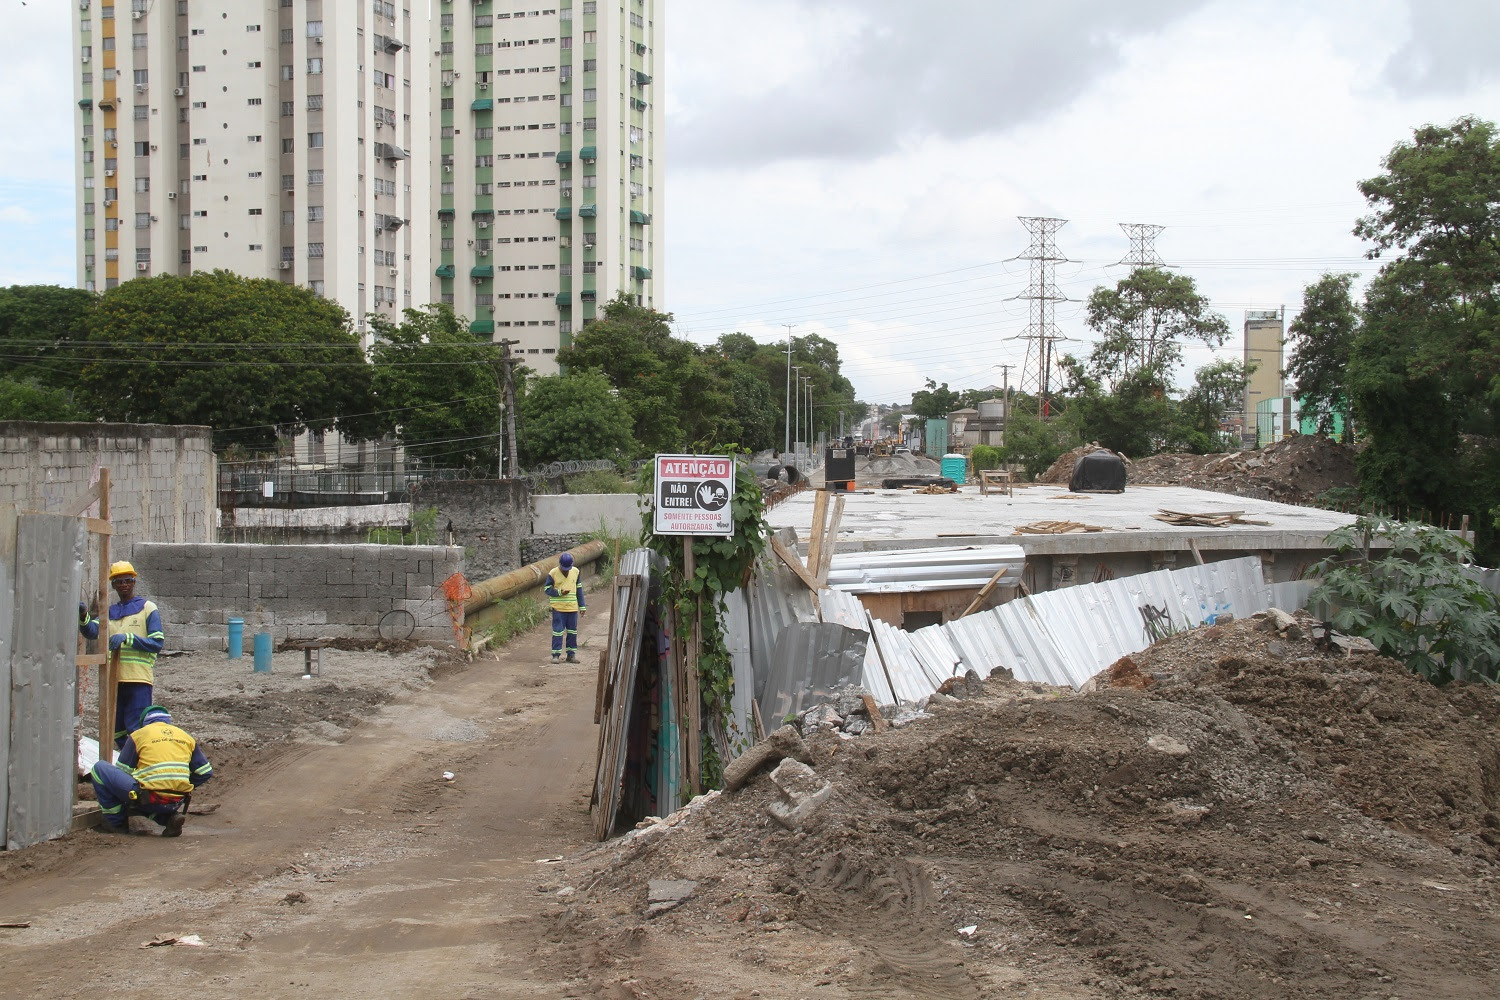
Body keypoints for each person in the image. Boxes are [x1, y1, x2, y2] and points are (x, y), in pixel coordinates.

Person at [80, 561, 165, 750]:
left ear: (134, 582)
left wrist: (128, 638)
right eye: (119, 582)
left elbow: (157, 643)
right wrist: (83, 616)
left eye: (127, 581)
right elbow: (93, 631)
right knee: (116, 730)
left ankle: (140, 768)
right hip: (114, 680)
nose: (124, 585)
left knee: (137, 730)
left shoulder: (148, 608)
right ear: (113, 586)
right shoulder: (110, 612)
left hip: (138, 680)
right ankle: (128, 767)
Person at [90, 704, 212, 837]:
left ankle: (116, 823)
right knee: (150, 793)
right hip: (176, 801)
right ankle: (168, 819)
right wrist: (179, 785)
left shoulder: (139, 735)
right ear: (167, 722)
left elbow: (123, 771)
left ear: (144, 723)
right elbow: (205, 772)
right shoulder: (186, 737)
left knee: (100, 769)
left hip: (148, 799)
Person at [544, 551, 586, 663]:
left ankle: (571, 655)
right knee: (558, 632)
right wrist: (559, 592)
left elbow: (579, 590)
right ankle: (556, 655)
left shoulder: (576, 572)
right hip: (558, 608)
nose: (566, 570)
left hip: (572, 608)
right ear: (559, 565)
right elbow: (547, 589)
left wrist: (582, 606)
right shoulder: (553, 573)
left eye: (567, 568)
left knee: (572, 632)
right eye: (564, 568)